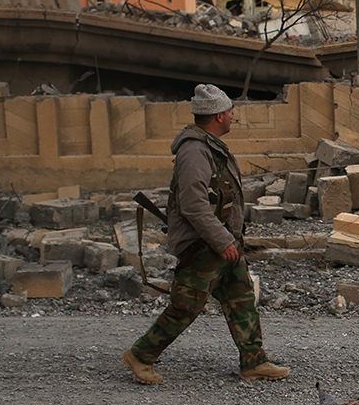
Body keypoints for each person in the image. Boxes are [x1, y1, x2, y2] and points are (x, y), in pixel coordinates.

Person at [122, 84, 289, 384]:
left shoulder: (209, 146)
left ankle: (254, 362)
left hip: (222, 242)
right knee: (186, 306)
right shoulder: (194, 152)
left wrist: (229, 239)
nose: (233, 116)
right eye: (230, 112)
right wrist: (222, 240)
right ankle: (140, 355)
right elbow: (193, 205)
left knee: (241, 298)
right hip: (204, 246)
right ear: (218, 116)